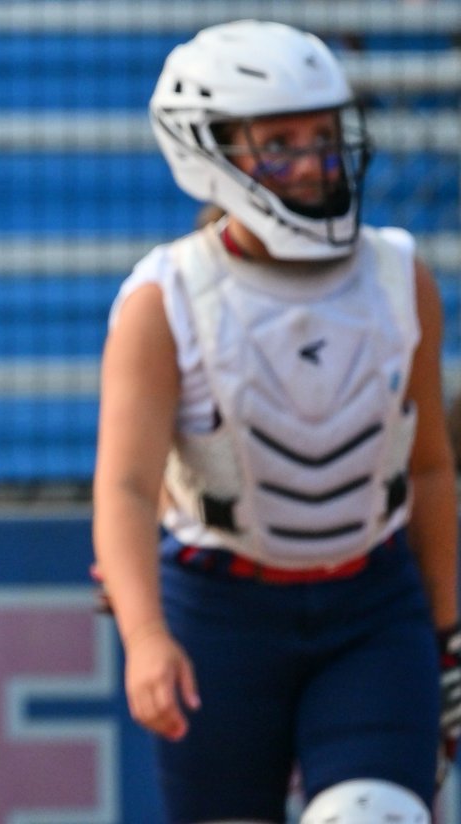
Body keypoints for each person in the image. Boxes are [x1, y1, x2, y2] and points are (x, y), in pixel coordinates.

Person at [91, 19, 459, 823]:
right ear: (208, 151)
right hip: (218, 613)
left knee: (376, 815)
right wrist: (147, 636)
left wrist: (448, 631)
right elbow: (123, 487)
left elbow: (429, 466)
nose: (312, 159)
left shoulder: (402, 278)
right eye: (280, 140)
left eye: (323, 135)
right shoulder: (166, 298)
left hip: (372, 604)